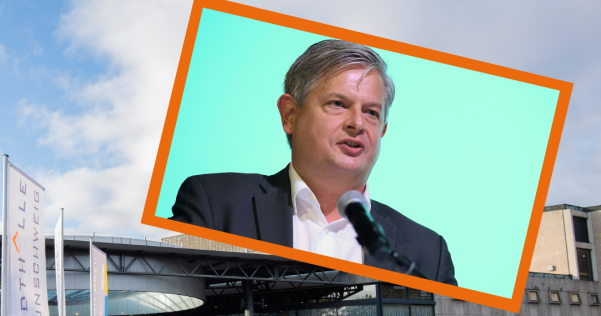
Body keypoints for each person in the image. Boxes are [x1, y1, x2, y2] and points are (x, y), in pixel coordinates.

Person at [170, 39, 456, 285]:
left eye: (371, 112)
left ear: (382, 130)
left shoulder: (428, 253)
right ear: (290, 115)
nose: (357, 123)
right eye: (338, 104)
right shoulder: (215, 206)